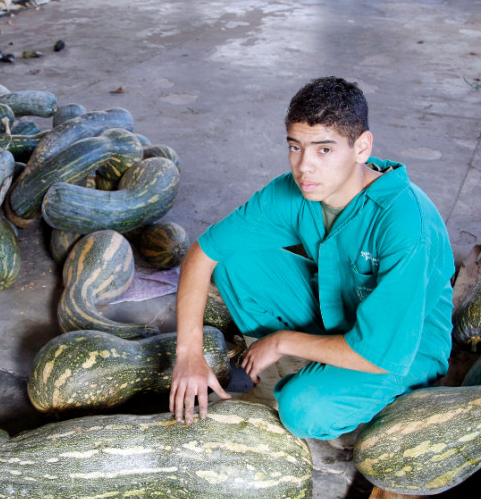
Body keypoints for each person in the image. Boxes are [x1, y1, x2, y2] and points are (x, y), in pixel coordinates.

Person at [169, 76, 453, 442]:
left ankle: (348, 390)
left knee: (303, 409)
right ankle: (314, 362)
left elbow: (379, 351)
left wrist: (281, 341)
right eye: (295, 147)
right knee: (233, 261)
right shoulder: (295, 191)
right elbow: (204, 252)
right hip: (337, 313)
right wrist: (188, 353)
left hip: (399, 351)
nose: (304, 167)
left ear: (362, 147)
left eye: (324, 150)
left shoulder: (406, 224)